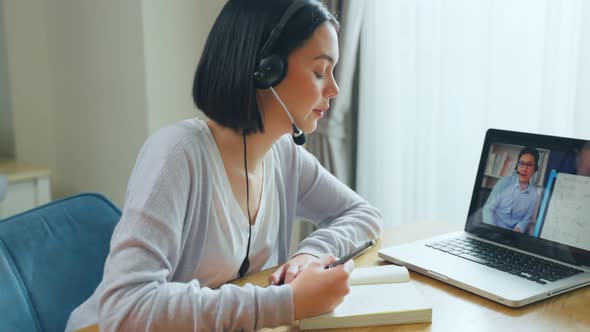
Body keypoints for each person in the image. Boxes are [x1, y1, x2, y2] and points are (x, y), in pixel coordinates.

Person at [65, 0, 382, 331]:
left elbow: (363, 215)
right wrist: (286, 303)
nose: (333, 89)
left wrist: (312, 254)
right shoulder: (177, 154)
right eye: (319, 71)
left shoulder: (283, 155)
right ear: (266, 69)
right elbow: (127, 307)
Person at [482, 147, 540, 233]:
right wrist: (493, 231)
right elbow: (488, 209)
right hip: (492, 228)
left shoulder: (533, 195)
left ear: (535, 169)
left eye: (529, 165)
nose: (524, 169)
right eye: (521, 163)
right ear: (517, 166)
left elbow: (525, 220)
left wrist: (518, 229)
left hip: (511, 235)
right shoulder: (504, 183)